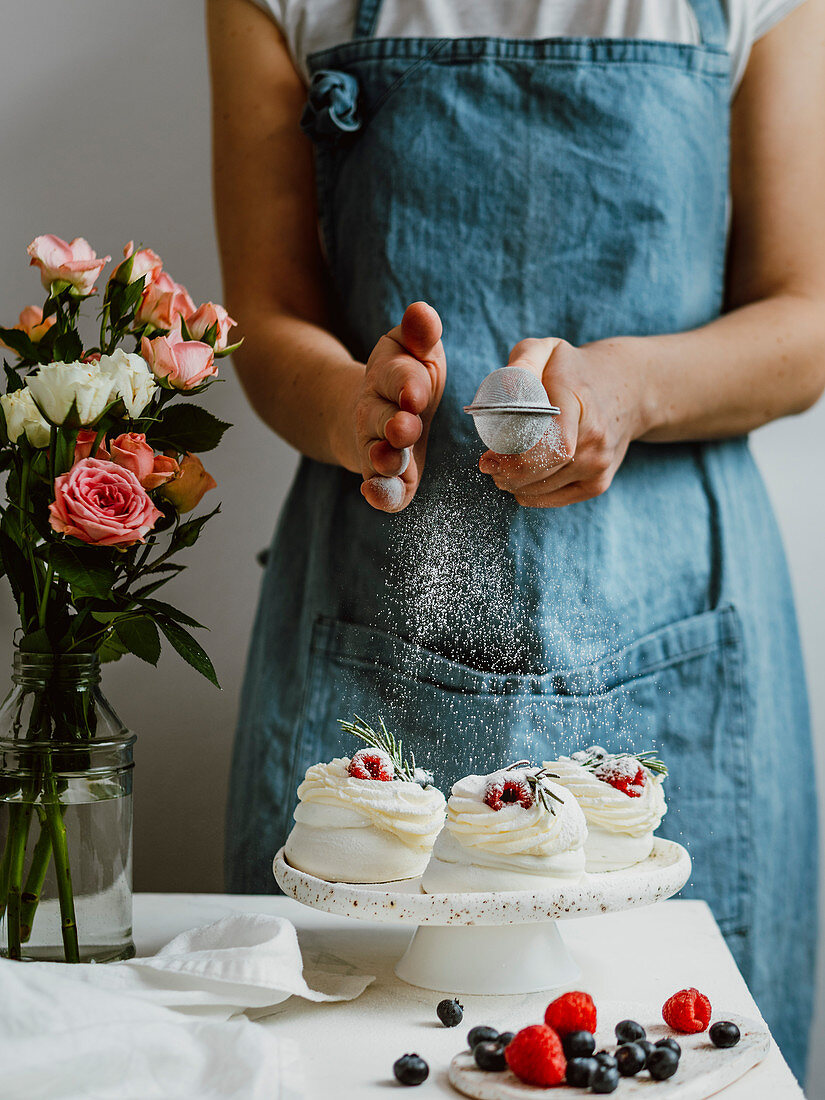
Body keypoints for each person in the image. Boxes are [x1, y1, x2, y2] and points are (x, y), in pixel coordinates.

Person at [206, 0, 824, 1079]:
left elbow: (805, 317)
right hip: (375, 613)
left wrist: (632, 389)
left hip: (679, 625)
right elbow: (264, 312)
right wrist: (355, 406)